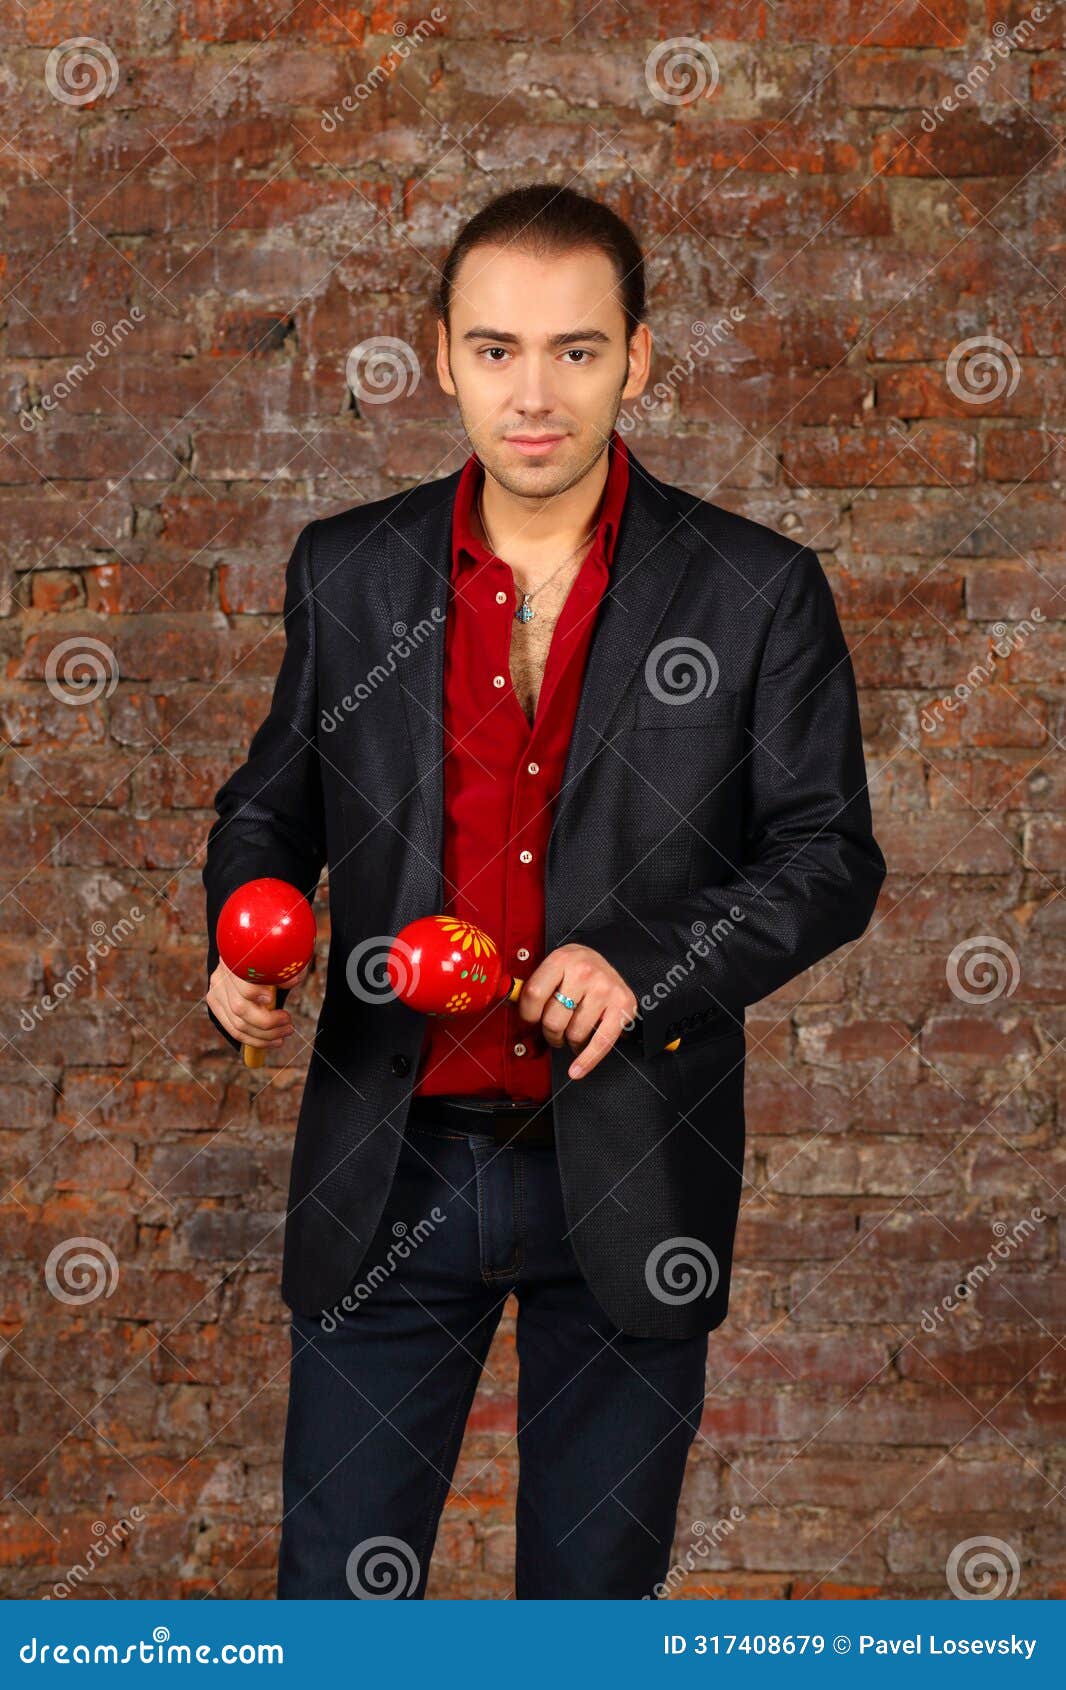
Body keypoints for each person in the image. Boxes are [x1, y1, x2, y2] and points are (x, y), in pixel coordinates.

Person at [202, 182, 886, 1600]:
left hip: (631, 1171)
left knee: (587, 1615)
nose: (534, 393)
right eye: (497, 348)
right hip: (388, 1164)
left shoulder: (755, 591)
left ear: (635, 359)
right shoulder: (348, 571)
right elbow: (272, 804)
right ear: (440, 354)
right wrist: (247, 934)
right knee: (338, 1606)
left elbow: (829, 854)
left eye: (575, 350)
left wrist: (648, 960)